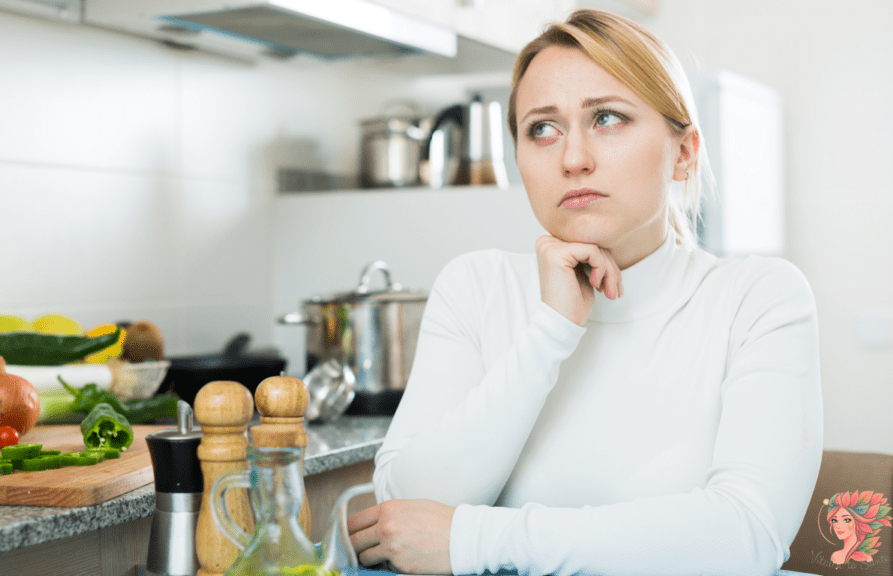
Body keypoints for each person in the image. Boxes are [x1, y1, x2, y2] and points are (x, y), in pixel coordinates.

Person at [347, 8, 823, 576]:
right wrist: (549, 332)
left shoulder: (759, 300)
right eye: (541, 129)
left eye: (607, 118)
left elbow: (746, 537)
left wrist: (476, 538)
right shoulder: (475, 286)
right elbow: (406, 511)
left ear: (685, 152)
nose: (572, 159)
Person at [823, 491, 892, 564]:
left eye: (846, 520)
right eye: (835, 520)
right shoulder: (836, 555)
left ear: (858, 522)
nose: (838, 526)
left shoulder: (864, 557)